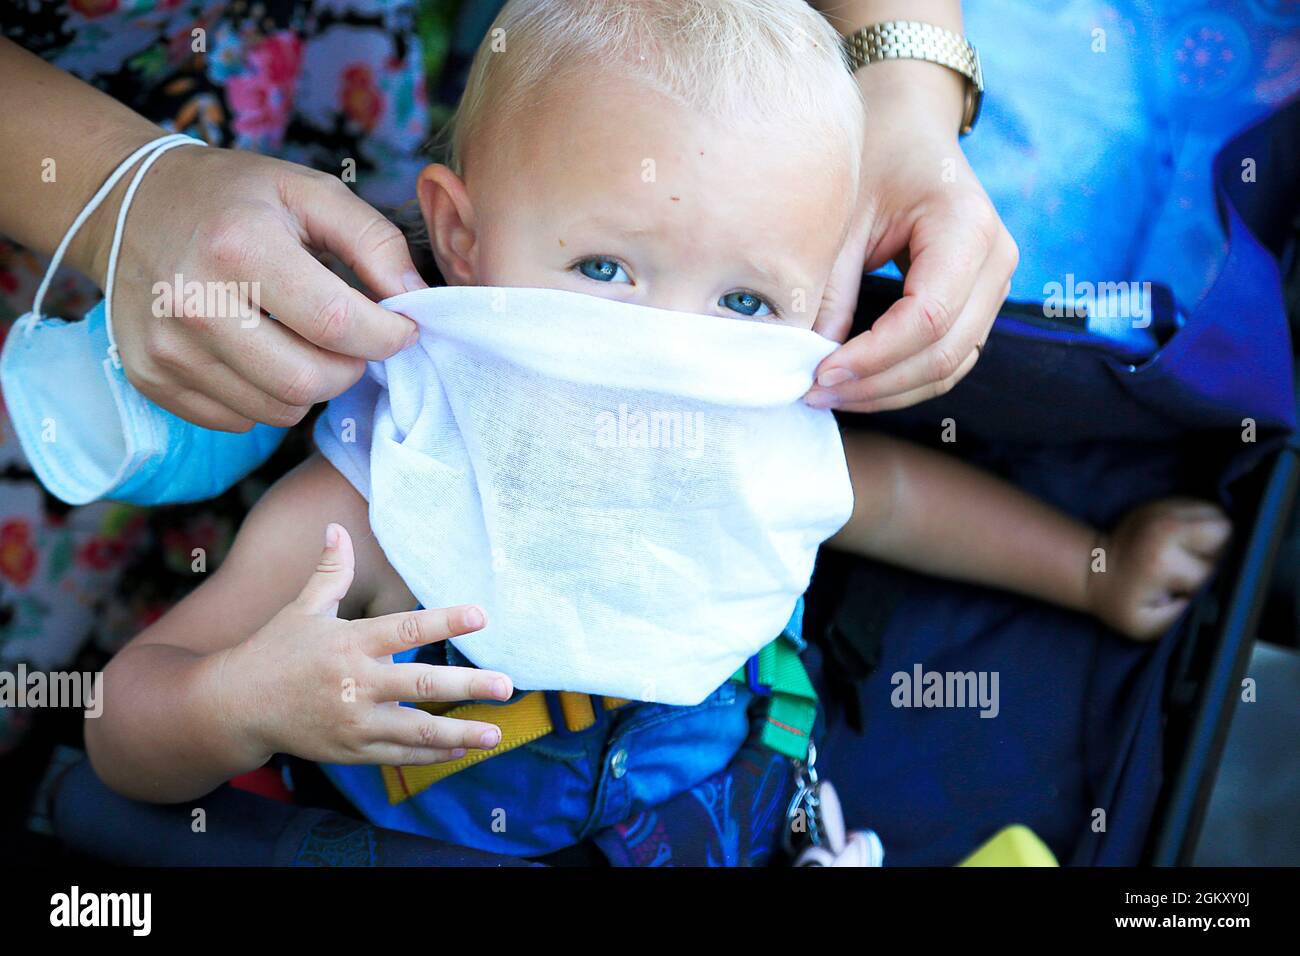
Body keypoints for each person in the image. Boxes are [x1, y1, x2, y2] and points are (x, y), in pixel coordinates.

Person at [84, 0, 1228, 862]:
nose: (675, 349)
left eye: (744, 304)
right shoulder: (386, 490)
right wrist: (242, 700)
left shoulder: (759, 414)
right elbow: (121, 727)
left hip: (721, 821)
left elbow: (889, 499)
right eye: (605, 267)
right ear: (461, 238)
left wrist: (1093, 570)